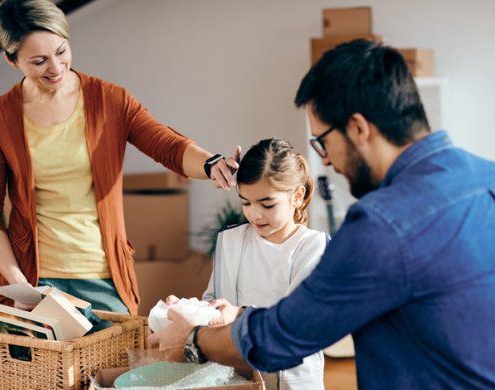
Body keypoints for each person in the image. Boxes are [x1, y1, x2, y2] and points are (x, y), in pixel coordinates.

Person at [149, 39, 495, 388]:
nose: (325, 160)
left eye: (323, 142)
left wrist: (192, 340)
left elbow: (286, 336)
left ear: (359, 128)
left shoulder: (382, 226)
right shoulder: (488, 177)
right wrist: (229, 315)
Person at [0, 0, 239, 316]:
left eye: (61, 51)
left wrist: (212, 164)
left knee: (116, 366)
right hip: (34, 281)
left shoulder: (111, 101)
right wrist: (20, 287)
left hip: (104, 278)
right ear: (11, 60)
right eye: (39, 61)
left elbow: (168, 146)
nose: (56, 68)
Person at [169, 138, 328, 389]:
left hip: (291, 381)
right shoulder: (231, 241)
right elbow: (213, 299)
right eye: (246, 202)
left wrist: (239, 313)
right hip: (235, 377)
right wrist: (189, 310)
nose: (255, 214)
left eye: (267, 204)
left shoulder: (312, 247)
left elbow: (297, 322)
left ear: (297, 196)